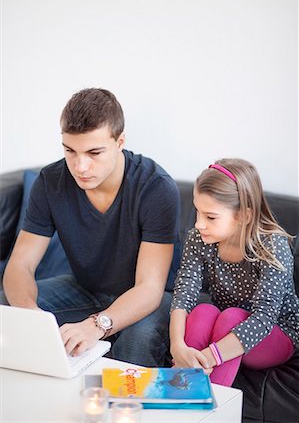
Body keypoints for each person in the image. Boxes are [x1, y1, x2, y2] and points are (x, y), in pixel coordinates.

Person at [2, 87, 180, 366]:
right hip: (86, 289)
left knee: (138, 339)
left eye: (94, 152)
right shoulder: (50, 182)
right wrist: (29, 315)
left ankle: (123, 408)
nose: (80, 166)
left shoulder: (155, 188)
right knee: (7, 308)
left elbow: (150, 288)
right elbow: (20, 266)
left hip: (154, 299)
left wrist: (96, 325)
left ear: (120, 142)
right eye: (70, 151)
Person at [169, 159, 299, 386]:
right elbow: (183, 295)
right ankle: (180, 390)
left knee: (231, 317)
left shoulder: (272, 247)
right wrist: (178, 347)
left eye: (210, 217)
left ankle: (211, 406)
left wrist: (209, 357)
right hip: (225, 324)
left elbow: (264, 319)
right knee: (202, 312)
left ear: (244, 216)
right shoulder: (199, 238)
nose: (199, 224)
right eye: (197, 211)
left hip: (276, 333)